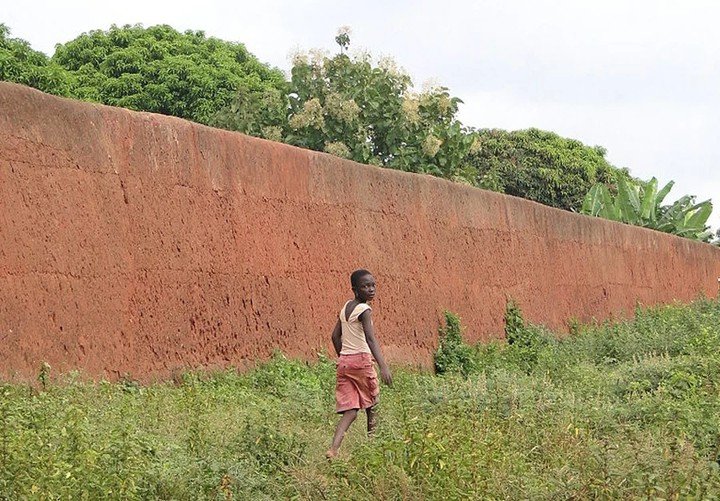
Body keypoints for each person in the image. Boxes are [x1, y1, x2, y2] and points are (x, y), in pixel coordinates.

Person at [325, 269, 393, 459]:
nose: (371, 289)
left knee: (351, 410)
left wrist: (344, 358)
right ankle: (373, 449)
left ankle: (333, 449)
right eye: (365, 286)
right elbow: (371, 340)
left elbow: (334, 336)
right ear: (355, 289)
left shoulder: (346, 307)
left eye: (373, 285)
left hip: (344, 362)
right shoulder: (365, 310)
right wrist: (383, 366)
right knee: (373, 405)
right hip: (362, 361)